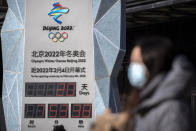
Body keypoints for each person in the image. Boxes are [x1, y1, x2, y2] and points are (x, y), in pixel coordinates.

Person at [90, 35, 195, 131]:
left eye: (137, 63)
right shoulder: (144, 102)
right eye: (131, 63)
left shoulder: (173, 110)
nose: (132, 68)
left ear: (153, 65)